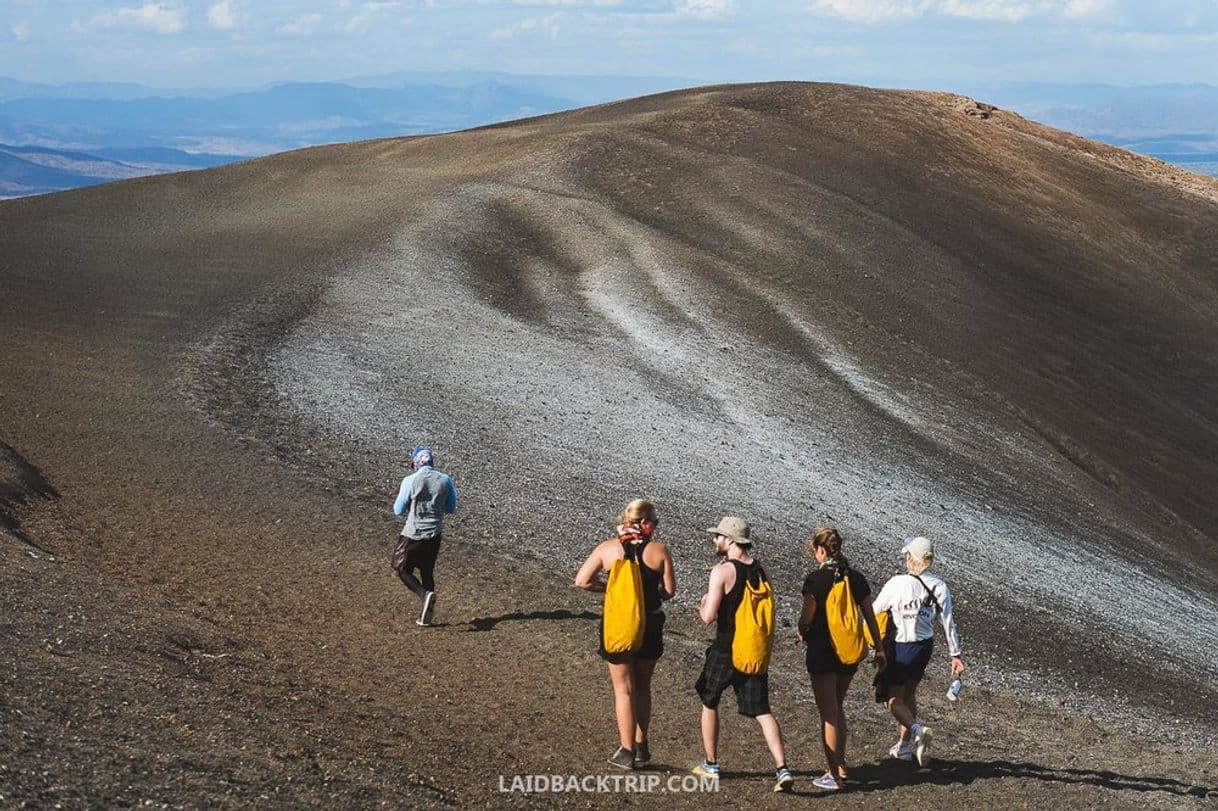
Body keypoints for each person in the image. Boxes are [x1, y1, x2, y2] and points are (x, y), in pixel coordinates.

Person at [692, 516, 794, 793]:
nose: (715, 540)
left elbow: (708, 617)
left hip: (726, 649)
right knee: (762, 711)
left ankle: (711, 764)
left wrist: (702, 605)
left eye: (718, 536)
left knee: (709, 701)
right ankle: (782, 768)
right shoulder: (761, 570)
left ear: (730, 540)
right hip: (753, 650)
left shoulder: (722, 571)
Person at [574, 499, 676, 770]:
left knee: (623, 690)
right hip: (651, 625)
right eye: (654, 521)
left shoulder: (608, 549)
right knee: (643, 686)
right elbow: (669, 592)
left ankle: (626, 750)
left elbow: (582, 581)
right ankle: (642, 746)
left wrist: (611, 589)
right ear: (643, 522)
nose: (655, 526)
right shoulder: (659, 551)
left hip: (618, 625)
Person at [797, 527, 886, 791]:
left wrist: (802, 633)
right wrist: (879, 649)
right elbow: (870, 617)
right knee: (837, 706)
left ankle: (833, 775)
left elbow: (805, 619)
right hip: (849, 655)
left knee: (829, 714)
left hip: (823, 653)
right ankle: (842, 765)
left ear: (821, 550)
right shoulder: (856, 578)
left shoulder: (816, 580)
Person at [871, 536, 966, 767]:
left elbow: (874, 611)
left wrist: (871, 644)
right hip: (924, 647)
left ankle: (917, 730)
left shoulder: (897, 583)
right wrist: (955, 654)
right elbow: (948, 622)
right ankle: (903, 747)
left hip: (902, 645)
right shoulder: (940, 586)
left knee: (892, 699)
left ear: (910, 558)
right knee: (909, 694)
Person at [391, 445, 458, 626]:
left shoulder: (411, 480)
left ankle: (424, 595)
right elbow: (451, 507)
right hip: (435, 534)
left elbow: (398, 509)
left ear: (415, 463)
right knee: (427, 571)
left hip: (413, 533)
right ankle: (425, 615)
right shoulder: (445, 480)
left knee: (401, 568)